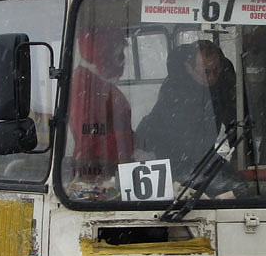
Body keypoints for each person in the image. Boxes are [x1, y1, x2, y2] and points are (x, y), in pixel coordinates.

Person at [135, 40, 237, 184]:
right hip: (172, 160)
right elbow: (178, 140)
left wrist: (239, 157)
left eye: (216, 70)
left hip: (204, 156)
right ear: (188, 68)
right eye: (206, 72)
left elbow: (236, 122)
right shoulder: (174, 91)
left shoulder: (224, 83)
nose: (212, 77)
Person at [67, 25, 134, 186]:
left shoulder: (99, 83)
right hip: (99, 175)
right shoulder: (85, 86)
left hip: (112, 169)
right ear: (105, 52)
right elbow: (88, 137)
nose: (122, 59)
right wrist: (129, 142)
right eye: (119, 53)